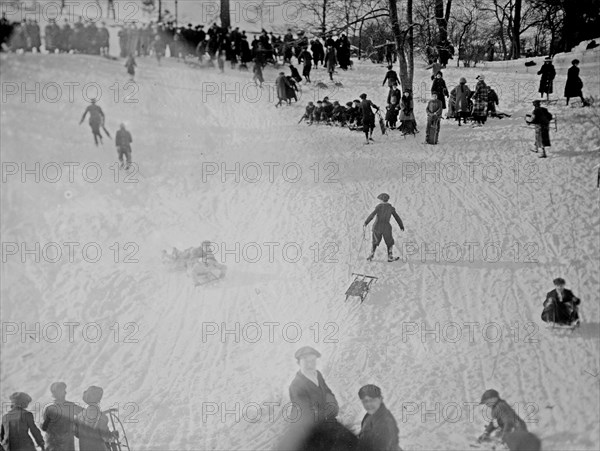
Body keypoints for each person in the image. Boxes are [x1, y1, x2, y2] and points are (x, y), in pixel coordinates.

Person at [289, 347, 339, 429]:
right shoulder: (296, 386)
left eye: (313, 361)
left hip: (324, 419)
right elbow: (305, 413)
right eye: (306, 362)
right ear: (299, 363)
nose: (310, 365)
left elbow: (327, 392)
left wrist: (333, 407)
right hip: (307, 428)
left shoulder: (317, 374)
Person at [357, 385, 401, 451]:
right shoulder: (369, 415)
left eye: (372, 400)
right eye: (365, 401)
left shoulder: (385, 422)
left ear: (380, 399)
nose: (369, 404)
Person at [41, 382, 83, 451]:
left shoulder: (49, 408)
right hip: (61, 445)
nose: (65, 392)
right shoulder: (70, 406)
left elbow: (44, 427)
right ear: (57, 393)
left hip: (55, 445)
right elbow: (87, 413)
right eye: (63, 391)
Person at [364, 193, 404, 262]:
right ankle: (390, 256)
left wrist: (366, 222)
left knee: (375, 241)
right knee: (390, 242)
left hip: (377, 226)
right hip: (386, 227)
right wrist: (401, 225)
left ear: (381, 200)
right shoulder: (390, 208)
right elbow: (396, 217)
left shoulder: (379, 207)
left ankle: (371, 255)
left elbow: (372, 215)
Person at [74, 386, 114, 451]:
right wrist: (113, 435)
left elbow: (76, 433)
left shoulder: (79, 417)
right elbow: (106, 436)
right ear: (98, 401)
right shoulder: (101, 417)